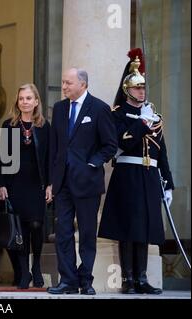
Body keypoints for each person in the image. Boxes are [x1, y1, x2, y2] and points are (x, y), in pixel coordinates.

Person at [98, 50, 174, 295]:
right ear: (127, 90)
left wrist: (168, 183)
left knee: (145, 228)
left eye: (143, 88)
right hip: (127, 174)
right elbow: (125, 141)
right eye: (137, 88)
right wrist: (141, 123)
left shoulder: (154, 116)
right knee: (127, 227)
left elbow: (161, 152)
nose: (141, 92)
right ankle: (128, 279)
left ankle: (142, 278)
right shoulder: (117, 114)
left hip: (149, 176)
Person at [47, 68, 117, 295]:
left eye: (68, 83)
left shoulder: (99, 108)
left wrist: (92, 164)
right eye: (63, 82)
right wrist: (50, 181)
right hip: (62, 183)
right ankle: (67, 281)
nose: (64, 86)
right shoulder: (58, 109)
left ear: (83, 84)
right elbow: (54, 147)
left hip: (87, 182)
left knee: (87, 233)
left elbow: (110, 145)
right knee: (63, 233)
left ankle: (85, 280)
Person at [0, 83, 52, 289]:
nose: (25, 102)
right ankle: (24, 272)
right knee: (19, 229)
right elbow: (2, 157)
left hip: (37, 183)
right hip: (15, 183)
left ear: (36, 101)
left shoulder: (45, 127)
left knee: (36, 225)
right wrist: (0, 183)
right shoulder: (8, 125)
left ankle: (36, 266)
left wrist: (50, 185)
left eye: (29, 98)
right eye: (21, 98)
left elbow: (49, 158)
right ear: (17, 102)